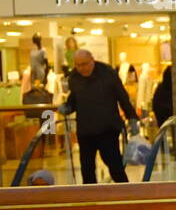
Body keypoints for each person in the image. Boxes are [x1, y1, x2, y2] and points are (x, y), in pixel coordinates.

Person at [62, 49, 138, 184]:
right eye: (77, 65)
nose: (81, 68)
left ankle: (125, 193)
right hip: (85, 130)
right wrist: (67, 107)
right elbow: (74, 99)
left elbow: (122, 96)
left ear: (93, 60)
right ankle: (90, 198)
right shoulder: (74, 77)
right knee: (87, 167)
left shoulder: (108, 73)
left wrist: (131, 117)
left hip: (107, 128)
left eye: (84, 64)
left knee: (113, 163)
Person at [23, 35, 51, 106]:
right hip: (33, 72)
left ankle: (41, 107)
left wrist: (46, 77)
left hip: (39, 72)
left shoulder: (43, 51)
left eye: (38, 39)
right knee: (33, 89)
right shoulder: (33, 51)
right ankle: (33, 106)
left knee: (39, 89)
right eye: (35, 40)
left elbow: (47, 65)